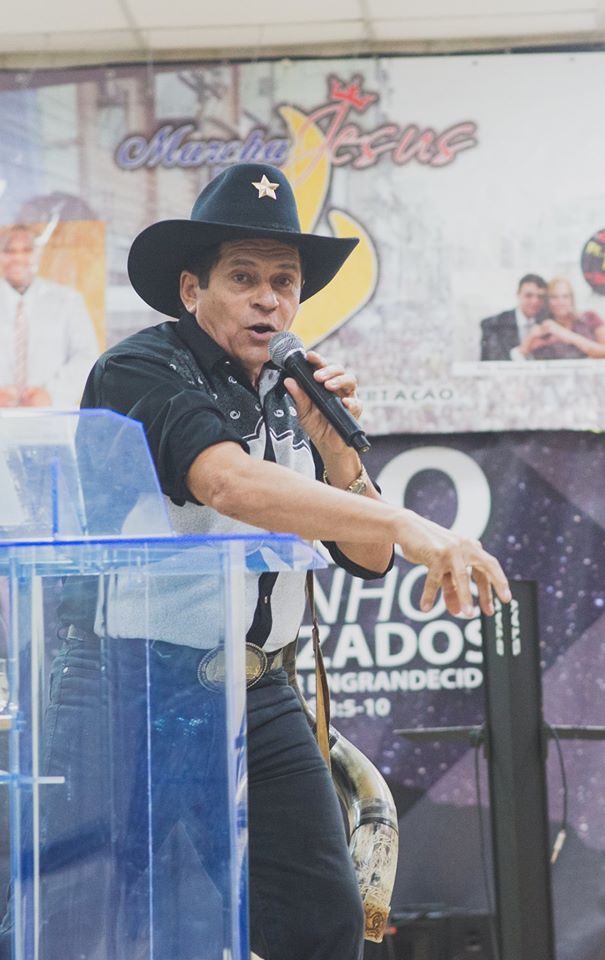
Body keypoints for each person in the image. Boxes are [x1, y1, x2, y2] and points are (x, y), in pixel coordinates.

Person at [2, 163, 511, 960]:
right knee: (88, 921)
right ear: (191, 289)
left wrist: (337, 449)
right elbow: (227, 483)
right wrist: (411, 521)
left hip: (258, 689)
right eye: (243, 278)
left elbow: (368, 554)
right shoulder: (142, 368)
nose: (267, 299)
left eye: (284, 282)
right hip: (128, 688)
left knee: (321, 921)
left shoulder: (291, 391)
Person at [0, 224, 99, 407]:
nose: (18, 258)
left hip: (52, 412)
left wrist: (53, 393)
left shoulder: (68, 300)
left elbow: (86, 355)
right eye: (9, 251)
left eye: (26, 250)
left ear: (37, 255)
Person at [529, 276, 605, 360]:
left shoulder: (590, 317)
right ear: (547, 300)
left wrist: (568, 336)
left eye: (565, 296)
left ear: (572, 299)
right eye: (554, 297)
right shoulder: (544, 329)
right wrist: (532, 340)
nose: (560, 302)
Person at [479, 273, 547, 361]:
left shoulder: (546, 323)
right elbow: (493, 361)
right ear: (518, 295)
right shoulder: (494, 324)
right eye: (528, 295)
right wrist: (526, 345)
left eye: (540, 297)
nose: (535, 301)